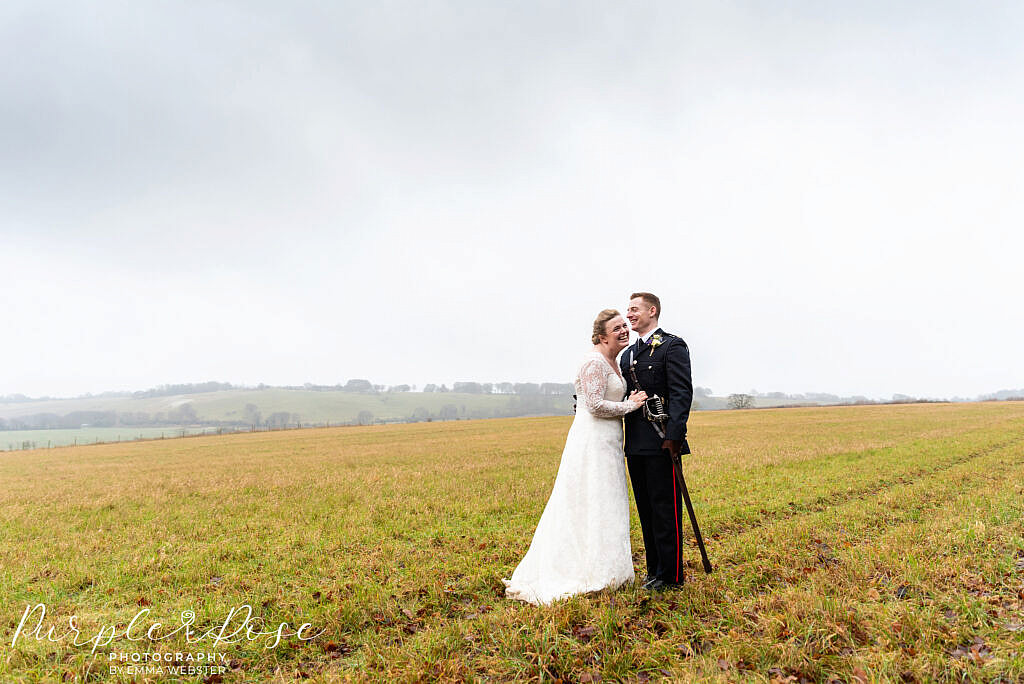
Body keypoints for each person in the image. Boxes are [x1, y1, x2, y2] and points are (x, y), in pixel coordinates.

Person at [504, 309, 647, 605]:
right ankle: (581, 569)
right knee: (588, 499)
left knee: (606, 501)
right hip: (591, 440)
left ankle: (608, 567)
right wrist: (631, 406)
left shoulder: (615, 361)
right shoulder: (593, 362)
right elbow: (594, 405)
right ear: (601, 336)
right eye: (616, 328)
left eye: (625, 326)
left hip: (608, 441)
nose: (624, 331)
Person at [620, 292, 694, 590]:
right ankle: (654, 572)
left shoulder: (672, 346)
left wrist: (675, 437)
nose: (629, 314)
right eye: (628, 310)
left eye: (634, 309)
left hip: (662, 441)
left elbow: (681, 394)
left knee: (666, 509)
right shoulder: (627, 355)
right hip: (635, 443)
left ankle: (671, 575)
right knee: (646, 510)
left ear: (652, 310)